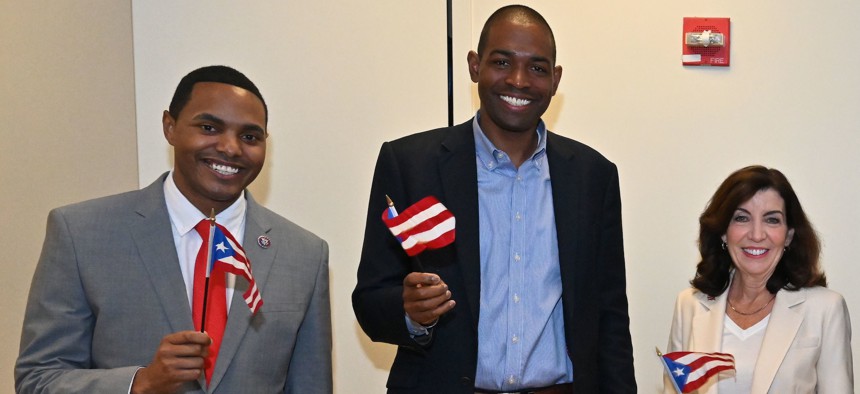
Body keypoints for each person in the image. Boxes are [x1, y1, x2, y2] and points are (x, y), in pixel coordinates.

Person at [353, 5, 635, 393]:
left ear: (555, 80)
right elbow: (370, 300)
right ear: (474, 66)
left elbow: (611, 317)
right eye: (502, 62)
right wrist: (410, 314)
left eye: (537, 68)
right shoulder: (411, 165)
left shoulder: (593, 176)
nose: (518, 81)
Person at [16, 65, 332, 394]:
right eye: (209, 127)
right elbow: (39, 378)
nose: (230, 148)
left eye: (249, 137)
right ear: (170, 127)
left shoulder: (304, 254)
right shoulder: (80, 234)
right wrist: (141, 382)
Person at [664, 165, 853, 393]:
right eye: (742, 218)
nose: (756, 234)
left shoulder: (825, 309)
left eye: (771, 220)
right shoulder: (690, 305)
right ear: (724, 232)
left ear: (788, 235)